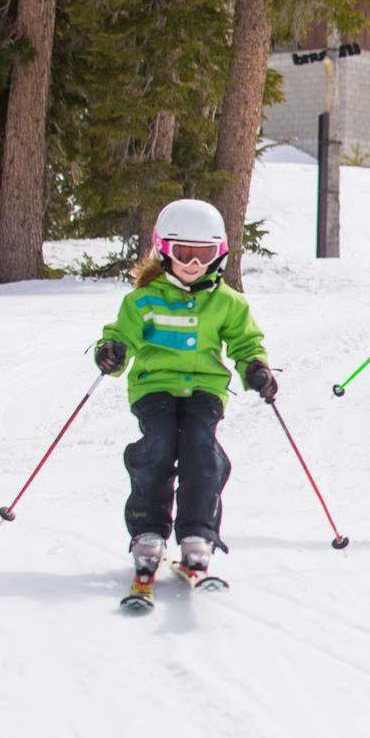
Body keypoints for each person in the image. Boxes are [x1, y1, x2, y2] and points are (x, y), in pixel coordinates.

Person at [94, 198, 276, 577]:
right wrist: (112, 352)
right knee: (157, 447)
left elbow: (245, 343)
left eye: (203, 254)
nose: (194, 264)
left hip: (204, 391)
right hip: (154, 387)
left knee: (202, 451)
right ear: (164, 251)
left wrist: (256, 368)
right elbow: (120, 334)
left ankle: (197, 533)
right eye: (184, 253)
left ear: (219, 254)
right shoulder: (143, 300)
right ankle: (148, 531)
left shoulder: (228, 303)